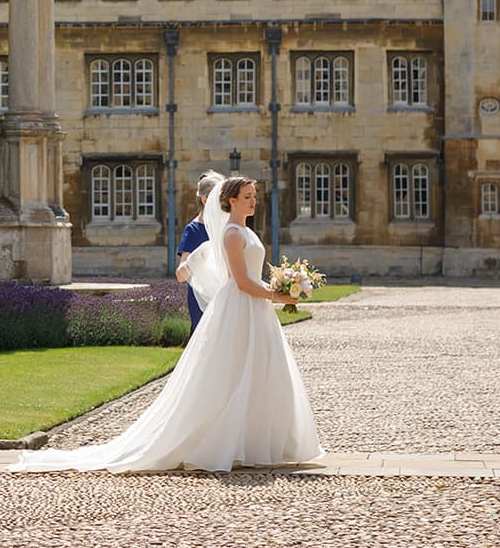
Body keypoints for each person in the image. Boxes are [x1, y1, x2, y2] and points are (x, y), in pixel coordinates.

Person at [17, 174, 322, 473]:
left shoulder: (247, 231)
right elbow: (241, 281)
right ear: (231, 201)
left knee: (259, 370)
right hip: (241, 305)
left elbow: (252, 273)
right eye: (247, 197)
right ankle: (221, 442)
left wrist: (282, 287)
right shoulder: (231, 234)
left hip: (256, 308)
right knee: (232, 372)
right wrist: (275, 294)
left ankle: (256, 441)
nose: (254, 201)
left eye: (254, 197)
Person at [174, 169, 221, 334]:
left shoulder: (224, 228)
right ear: (205, 199)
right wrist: (198, 256)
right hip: (201, 300)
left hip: (224, 297)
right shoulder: (193, 230)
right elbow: (181, 275)